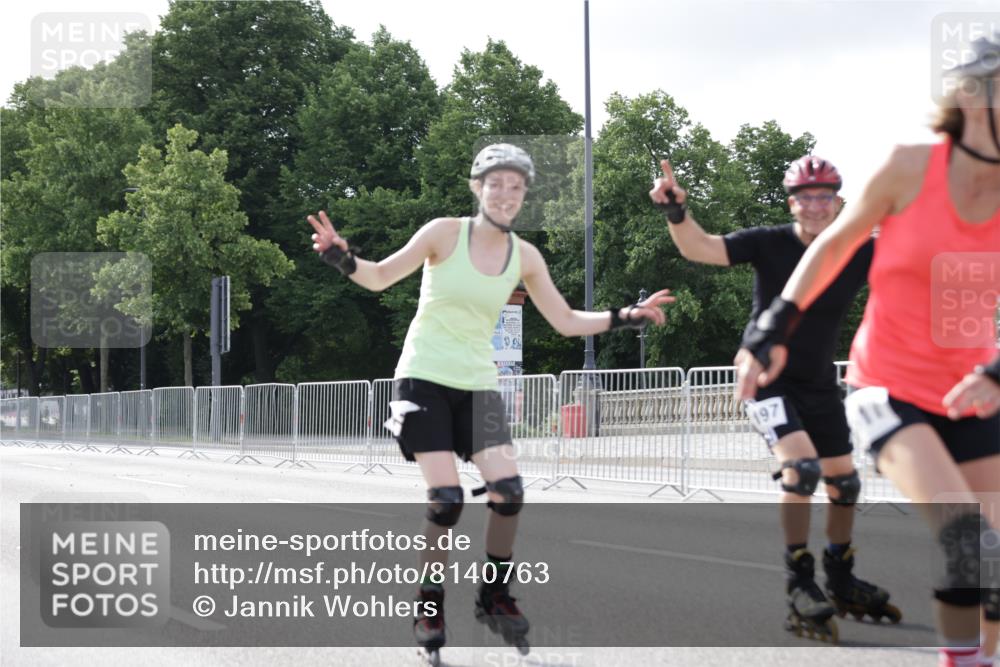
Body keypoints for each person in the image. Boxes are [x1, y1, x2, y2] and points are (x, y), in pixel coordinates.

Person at [308, 143, 675, 663]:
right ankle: (429, 602)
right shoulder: (443, 233)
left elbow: (566, 320)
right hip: (423, 380)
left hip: (477, 384)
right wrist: (341, 256)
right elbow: (379, 277)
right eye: (496, 184)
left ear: (524, 196)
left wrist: (625, 315)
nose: (506, 194)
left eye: (517, 187)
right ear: (477, 187)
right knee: (447, 500)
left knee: (508, 492)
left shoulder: (524, 256)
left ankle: (493, 594)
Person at [734, 35, 1000, 667]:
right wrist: (772, 326)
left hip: (975, 386)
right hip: (890, 387)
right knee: (966, 537)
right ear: (971, 95)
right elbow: (833, 246)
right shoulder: (909, 166)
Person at [649, 153, 900, 643]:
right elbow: (699, 248)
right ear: (792, 203)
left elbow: (913, 262)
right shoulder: (768, 243)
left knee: (844, 484)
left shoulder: (857, 249)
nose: (815, 207)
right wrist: (676, 213)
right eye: (806, 198)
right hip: (765, 378)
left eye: (824, 197)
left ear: (838, 202)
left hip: (820, 381)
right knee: (801, 470)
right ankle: (799, 579)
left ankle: (841, 573)